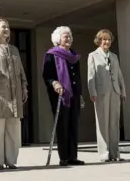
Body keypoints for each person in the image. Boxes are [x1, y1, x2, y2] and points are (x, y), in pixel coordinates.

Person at [0, 19, 28, 170]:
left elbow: (21, 71)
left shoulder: (14, 50)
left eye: (8, 27)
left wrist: (24, 87)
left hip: (15, 93)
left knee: (12, 129)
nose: (7, 29)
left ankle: (11, 160)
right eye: (4, 27)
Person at [42, 26, 85, 167]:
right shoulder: (51, 54)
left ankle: (73, 156)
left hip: (74, 94)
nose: (68, 38)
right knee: (62, 125)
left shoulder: (74, 56)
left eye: (70, 36)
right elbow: (47, 75)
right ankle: (64, 157)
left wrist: (80, 94)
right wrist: (54, 83)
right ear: (58, 39)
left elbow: (78, 77)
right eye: (65, 36)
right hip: (60, 95)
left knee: (73, 124)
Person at [87, 29, 126, 162]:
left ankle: (115, 154)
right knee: (103, 123)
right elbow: (90, 76)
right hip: (101, 93)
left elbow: (119, 75)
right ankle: (104, 154)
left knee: (114, 123)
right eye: (104, 39)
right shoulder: (92, 55)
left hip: (115, 92)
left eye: (108, 39)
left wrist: (123, 91)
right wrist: (92, 92)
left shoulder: (114, 56)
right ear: (99, 41)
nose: (106, 42)